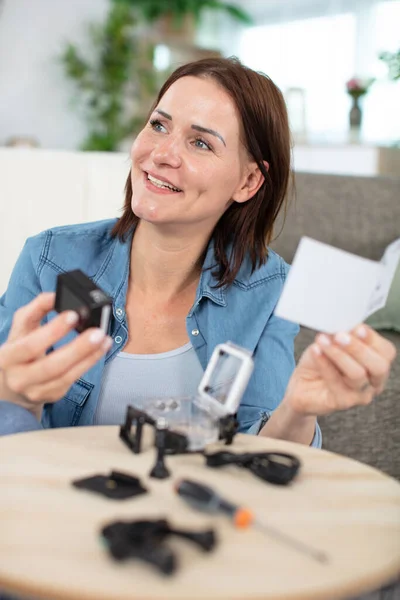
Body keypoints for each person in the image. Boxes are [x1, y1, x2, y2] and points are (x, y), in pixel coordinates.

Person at [0, 57, 396, 443]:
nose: (161, 154)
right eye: (159, 125)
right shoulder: (48, 258)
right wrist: (16, 397)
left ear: (248, 181)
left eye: (201, 143)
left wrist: (298, 409)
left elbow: (261, 460)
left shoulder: (269, 290)